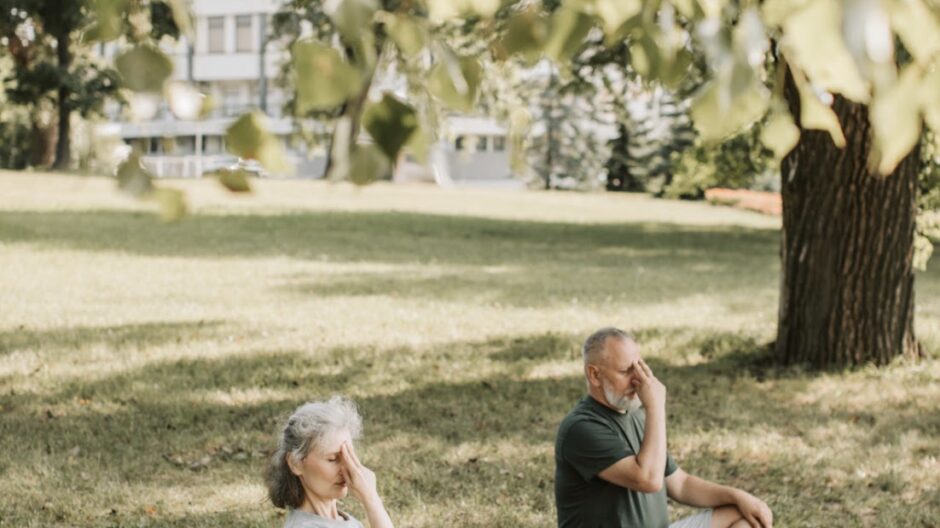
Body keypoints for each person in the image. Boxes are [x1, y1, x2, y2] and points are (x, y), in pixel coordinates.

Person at [555, 327, 774, 528]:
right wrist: (656, 406)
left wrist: (738, 495)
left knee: (746, 517)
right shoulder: (581, 428)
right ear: (594, 374)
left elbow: (681, 484)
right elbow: (648, 479)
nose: (638, 380)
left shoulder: (637, 417)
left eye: (639, 367)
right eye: (625, 371)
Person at [265, 396, 394, 528]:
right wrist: (371, 499)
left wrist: (372, 499)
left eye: (349, 457)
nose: (347, 469)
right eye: (333, 459)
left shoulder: (343, 521)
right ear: (296, 463)